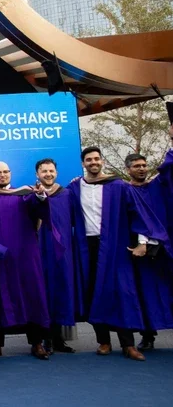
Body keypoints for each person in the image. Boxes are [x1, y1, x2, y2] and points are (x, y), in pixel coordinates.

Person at [68, 146, 162, 361]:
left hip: (116, 245)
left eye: (96, 159)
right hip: (87, 246)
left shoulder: (118, 186)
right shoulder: (75, 187)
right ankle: (103, 342)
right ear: (83, 164)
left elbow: (137, 213)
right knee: (93, 292)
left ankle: (128, 344)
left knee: (122, 292)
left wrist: (142, 243)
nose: (93, 162)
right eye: (89, 159)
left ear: (102, 161)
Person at [0, 162, 50, 361]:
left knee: (32, 296)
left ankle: (37, 343)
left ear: (11, 173)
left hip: (25, 255)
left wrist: (41, 195)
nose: (2, 175)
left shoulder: (25, 196)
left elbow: (40, 210)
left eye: (6, 172)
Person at [124, 143, 173, 351]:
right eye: (137, 166)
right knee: (144, 293)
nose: (142, 169)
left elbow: (168, 168)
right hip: (140, 252)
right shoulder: (124, 190)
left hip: (165, 249)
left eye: (144, 165)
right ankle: (148, 335)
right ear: (128, 169)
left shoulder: (157, 186)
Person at [31, 158, 79, 354]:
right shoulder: (32, 195)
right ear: (37, 174)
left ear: (56, 173)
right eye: (44, 171)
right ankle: (45, 339)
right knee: (45, 292)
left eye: (51, 171)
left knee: (62, 291)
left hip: (64, 252)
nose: (48, 174)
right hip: (40, 250)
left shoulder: (67, 194)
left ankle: (59, 339)